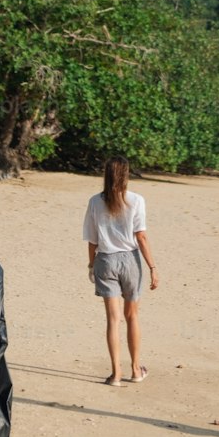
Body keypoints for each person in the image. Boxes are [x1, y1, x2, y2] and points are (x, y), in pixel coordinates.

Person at [83, 155, 159, 385]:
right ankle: (136, 369)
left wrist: (90, 264)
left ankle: (115, 373)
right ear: (125, 176)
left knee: (113, 319)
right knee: (132, 316)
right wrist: (153, 267)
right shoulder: (136, 200)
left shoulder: (95, 201)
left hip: (105, 260)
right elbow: (141, 236)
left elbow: (92, 240)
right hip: (130, 261)